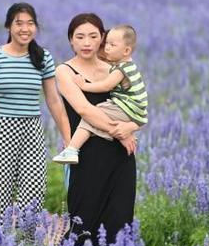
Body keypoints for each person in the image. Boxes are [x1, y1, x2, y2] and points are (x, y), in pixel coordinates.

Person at [0, 2, 71, 217]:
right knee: (0, 197)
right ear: (8, 26)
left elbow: (54, 100)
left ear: (36, 27)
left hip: (31, 131)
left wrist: (68, 138)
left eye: (30, 23)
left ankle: (29, 245)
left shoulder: (42, 57)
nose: (24, 29)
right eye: (19, 23)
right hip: (1, 132)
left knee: (34, 194)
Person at [55, 13, 139, 246]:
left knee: (120, 219)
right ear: (71, 40)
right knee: (83, 220)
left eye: (93, 36)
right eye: (79, 37)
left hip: (119, 156)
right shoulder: (65, 71)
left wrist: (130, 128)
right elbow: (84, 109)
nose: (86, 42)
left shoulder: (114, 70)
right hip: (86, 155)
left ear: (102, 38)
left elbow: (135, 105)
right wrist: (119, 131)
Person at [53, 25, 147, 164]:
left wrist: (84, 85)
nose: (107, 51)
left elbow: (105, 87)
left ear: (126, 51)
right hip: (132, 117)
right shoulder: (130, 66)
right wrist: (124, 132)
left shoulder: (118, 70)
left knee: (96, 113)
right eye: (106, 46)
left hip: (116, 152)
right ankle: (72, 147)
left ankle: (72, 149)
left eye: (111, 46)